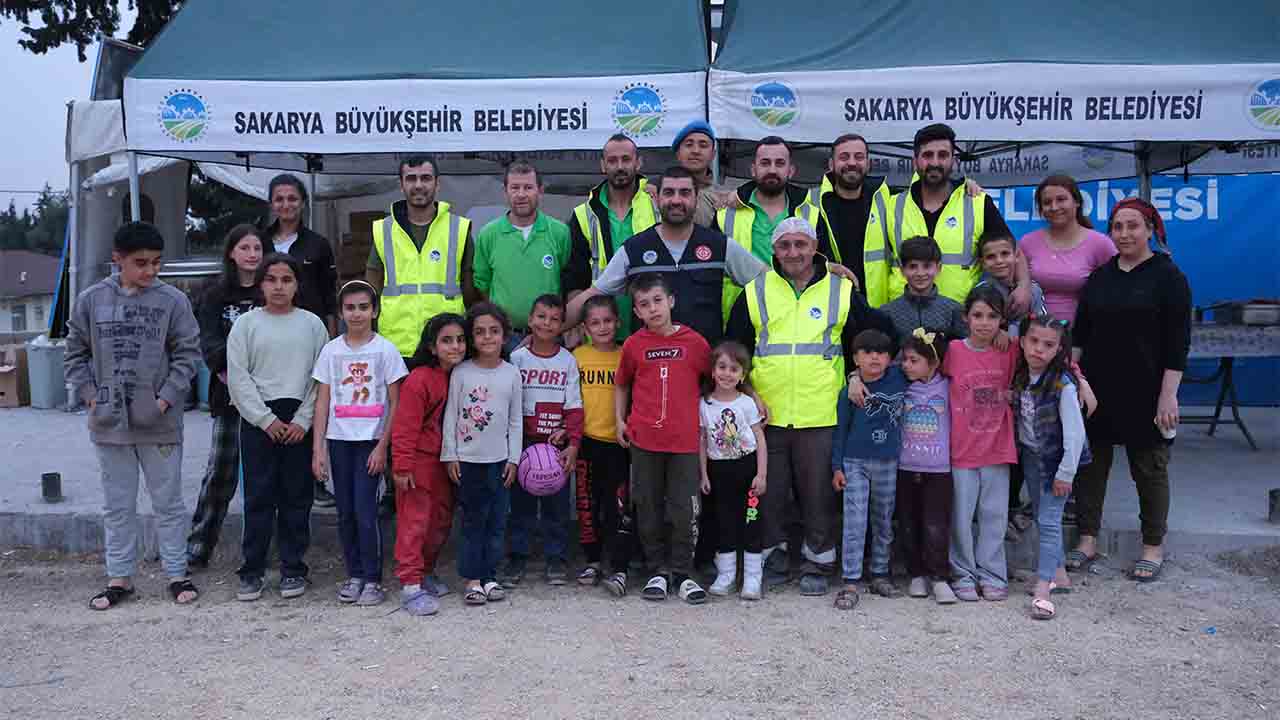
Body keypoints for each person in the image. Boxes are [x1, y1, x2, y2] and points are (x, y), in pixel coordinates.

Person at [725, 217, 896, 596]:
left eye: (800, 245)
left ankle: (818, 562)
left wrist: (855, 375)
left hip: (821, 412)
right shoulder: (755, 291)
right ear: (774, 250)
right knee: (770, 493)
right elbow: (735, 350)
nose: (793, 253)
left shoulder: (841, 290)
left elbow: (869, 340)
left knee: (818, 493)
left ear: (814, 247)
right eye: (784, 246)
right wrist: (749, 392)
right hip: (766, 413)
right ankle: (772, 558)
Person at [65, 221, 202, 610]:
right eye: (140, 263)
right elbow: (74, 354)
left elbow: (188, 355)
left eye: (156, 263)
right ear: (117, 259)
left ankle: (177, 574)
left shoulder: (173, 301)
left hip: (159, 423)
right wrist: (91, 397)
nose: (150, 271)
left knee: (169, 503)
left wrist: (164, 400)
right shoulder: (90, 300)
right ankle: (119, 578)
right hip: (109, 424)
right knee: (118, 504)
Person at [1069, 198, 1190, 583]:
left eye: (1133, 225)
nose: (1124, 234)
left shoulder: (1169, 277)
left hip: (1148, 391)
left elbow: (1178, 343)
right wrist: (1073, 382)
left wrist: (1168, 395)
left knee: (1149, 469)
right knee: (1090, 468)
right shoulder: (1100, 278)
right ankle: (1087, 540)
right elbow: (1080, 337)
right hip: (1098, 390)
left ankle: (1152, 546)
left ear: (1150, 229)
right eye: (1118, 226)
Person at [565, 166, 767, 346]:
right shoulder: (634, 249)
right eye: (669, 193)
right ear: (657, 198)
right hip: (649, 371)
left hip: (704, 373)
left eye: (685, 193)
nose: (677, 200)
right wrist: (548, 332)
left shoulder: (719, 246)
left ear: (696, 199)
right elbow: (592, 294)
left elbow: (768, 283)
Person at [226, 253, 329, 602]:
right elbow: (238, 378)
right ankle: (252, 569)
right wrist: (265, 419)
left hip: (298, 418)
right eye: (271, 280)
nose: (279, 287)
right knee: (258, 496)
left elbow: (320, 378)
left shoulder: (313, 324)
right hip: (260, 421)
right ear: (261, 284)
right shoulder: (245, 325)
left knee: (296, 498)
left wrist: (303, 420)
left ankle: (292, 568)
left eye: (286, 279)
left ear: (297, 284)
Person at [614, 273, 712, 605]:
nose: (652, 309)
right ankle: (657, 570)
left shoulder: (695, 343)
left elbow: (717, 380)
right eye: (644, 304)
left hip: (684, 442)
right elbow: (622, 384)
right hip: (644, 440)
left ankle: (683, 573)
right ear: (637, 312)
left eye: (657, 300)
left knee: (685, 510)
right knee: (647, 505)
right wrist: (618, 420)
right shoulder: (633, 345)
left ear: (670, 301)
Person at [310, 281, 408, 607]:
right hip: (339, 442)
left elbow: (396, 403)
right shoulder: (331, 351)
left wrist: (383, 446)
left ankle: (372, 579)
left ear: (375, 311)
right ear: (340, 312)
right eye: (350, 307)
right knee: (345, 512)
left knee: (366, 511)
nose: (357, 313)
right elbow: (322, 402)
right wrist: (318, 449)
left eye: (363, 307)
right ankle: (353, 575)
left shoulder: (385, 351)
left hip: (370, 442)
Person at [864, 123, 1026, 311]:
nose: (935, 162)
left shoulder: (977, 203)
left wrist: (1023, 285)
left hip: (963, 320)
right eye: (927, 155)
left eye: (942, 155)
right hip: (903, 321)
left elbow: (1012, 250)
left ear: (954, 161)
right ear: (915, 161)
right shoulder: (891, 206)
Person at [187, 223, 261, 568]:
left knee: (267, 478)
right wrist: (231, 376)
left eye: (257, 248)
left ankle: (263, 551)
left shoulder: (270, 291)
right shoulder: (216, 294)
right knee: (220, 472)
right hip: (228, 395)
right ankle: (199, 546)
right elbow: (210, 342)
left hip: (269, 397)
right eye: (245, 248)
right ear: (232, 252)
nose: (252, 255)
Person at [441, 303, 523, 606]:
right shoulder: (461, 372)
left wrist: (514, 458)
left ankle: (490, 576)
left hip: (500, 462)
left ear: (504, 335)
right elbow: (451, 415)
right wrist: (450, 454)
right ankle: (472, 579)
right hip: (468, 461)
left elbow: (516, 420)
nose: (487, 337)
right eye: (479, 332)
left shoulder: (512, 374)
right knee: (474, 521)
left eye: (494, 331)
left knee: (497, 520)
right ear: (471, 337)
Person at [943, 285, 1018, 602]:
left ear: (1002, 319)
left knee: (994, 516)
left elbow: (1052, 350)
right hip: (961, 449)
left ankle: (992, 574)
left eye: (992, 316)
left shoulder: (1011, 350)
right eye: (978, 315)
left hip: (998, 448)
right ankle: (962, 573)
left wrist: (1080, 382)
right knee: (960, 517)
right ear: (966, 317)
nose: (985, 322)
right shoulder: (953, 351)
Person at [503, 294, 584, 587]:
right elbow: (509, 401)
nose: (546, 323)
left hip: (556, 445)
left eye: (554, 319)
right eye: (541, 316)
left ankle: (556, 557)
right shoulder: (517, 358)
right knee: (520, 504)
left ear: (562, 324)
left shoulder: (568, 361)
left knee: (557, 506)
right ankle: (517, 556)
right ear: (529, 320)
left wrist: (572, 441)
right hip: (523, 443)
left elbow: (574, 405)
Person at [1013, 314, 1090, 620]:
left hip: (1056, 463)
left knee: (1048, 521)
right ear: (1022, 342)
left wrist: (1066, 473)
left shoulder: (1063, 385)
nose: (1038, 350)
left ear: (1059, 350)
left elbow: (1075, 433)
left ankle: (1044, 587)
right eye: (1033, 341)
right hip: (1032, 457)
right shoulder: (1022, 376)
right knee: (1045, 519)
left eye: (1048, 345)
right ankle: (1059, 575)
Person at [391, 313, 468, 616]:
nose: (456, 346)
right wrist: (401, 466)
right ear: (432, 347)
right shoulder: (420, 378)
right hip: (418, 462)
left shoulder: (464, 375)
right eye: (447, 340)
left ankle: (426, 571)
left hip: (446, 462)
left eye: (461, 340)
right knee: (415, 521)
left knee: (440, 519)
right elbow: (405, 425)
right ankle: (410, 584)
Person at [366, 154, 478, 359]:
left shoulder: (459, 229)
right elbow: (372, 289)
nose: (418, 185)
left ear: (437, 184)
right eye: (411, 178)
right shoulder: (383, 230)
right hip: (396, 348)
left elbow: (471, 291)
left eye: (425, 178)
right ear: (401, 185)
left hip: (446, 346)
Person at [832, 329, 908, 610]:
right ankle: (850, 580)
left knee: (883, 520)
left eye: (881, 352)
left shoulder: (900, 378)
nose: (875, 357)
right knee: (855, 521)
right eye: (866, 352)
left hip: (888, 461)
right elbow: (840, 432)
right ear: (855, 359)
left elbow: (924, 363)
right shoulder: (848, 393)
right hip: (854, 462)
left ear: (891, 358)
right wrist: (836, 467)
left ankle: (880, 573)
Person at [563, 133, 659, 342]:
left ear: (638, 163)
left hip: (651, 326)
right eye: (612, 161)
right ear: (603, 165)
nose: (620, 166)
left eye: (626, 159)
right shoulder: (583, 214)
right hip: (601, 330)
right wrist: (579, 323)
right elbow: (575, 277)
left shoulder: (657, 205)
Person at [572, 295, 636, 595]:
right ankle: (593, 560)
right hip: (587, 442)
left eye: (608, 321)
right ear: (585, 327)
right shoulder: (577, 357)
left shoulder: (627, 354)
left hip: (619, 445)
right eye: (595, 322)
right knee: (588, 505)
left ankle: (619, 566)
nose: (602, 327)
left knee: (619, 506)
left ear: (618, 322)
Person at [473, 160, 571, 349]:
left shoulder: (560, 232)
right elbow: (482, 285)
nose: (521, 194)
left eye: (528, 187)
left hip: (548, 335)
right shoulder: (489, 234)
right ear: (505, 191)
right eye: (515, 188)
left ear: (540, 190)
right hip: (504, 338)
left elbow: (567, 282)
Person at [698, 341, 768, 601]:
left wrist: (761, 474)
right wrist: (703, 474)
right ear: (713, 371)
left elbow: (760, 439)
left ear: (743, 375)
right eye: (722, 367)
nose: (727, 373)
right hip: (719, 471)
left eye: (734, 368)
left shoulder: (747, 403)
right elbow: (703, 440)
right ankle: (726, 575)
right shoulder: (704, 405)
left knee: (752, 521)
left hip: (747, 469)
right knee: (724, 522)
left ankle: (752, 577)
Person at [894, 329, 957, 604]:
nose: (906, 365)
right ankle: (916, 574)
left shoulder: (948, 387)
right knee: (909, 523)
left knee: (936, 524)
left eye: (913, 360)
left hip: (939, 469)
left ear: (933, 363)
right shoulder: (899, 384)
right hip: (905, 467)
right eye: (905, 359)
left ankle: (940, 577)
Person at [1018, 175, 1116, 325]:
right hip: (1034, 339)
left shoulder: (1100, 244)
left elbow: (1117, 289)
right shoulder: (1027, 243)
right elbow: (1011, 286)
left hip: (1082, 337)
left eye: (1061, 199)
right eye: (1047, 202)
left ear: (1076, 202)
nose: (1054, 207)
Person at [714, 136, 820, 265]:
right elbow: (712, 264)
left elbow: (823, 262)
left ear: (791, 171)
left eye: (780, 163)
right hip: (742, 286)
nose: (772, 170)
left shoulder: (812, 212)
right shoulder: (725, 214)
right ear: (753, 170)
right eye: (765, 163)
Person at [814, 133, 893, 293]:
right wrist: (827, 266)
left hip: (877, 307)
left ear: (868, 163)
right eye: (844, 157)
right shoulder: (811, 204)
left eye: (859, 157)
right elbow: (801, 260)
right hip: (830, 307)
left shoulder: (887, 200)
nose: (852, 163)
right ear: (831, 164)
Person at [264, 173, 338, 336]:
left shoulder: (319, 244)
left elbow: (329, 297)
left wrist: (331, 341)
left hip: (310, 330)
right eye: (279, 199)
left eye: (292, 198)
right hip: (267, 329)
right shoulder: (259, 243)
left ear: (303, 203)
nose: (286, 204)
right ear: (271, 204)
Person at [879, 236, 969, 342]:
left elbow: (963, 351)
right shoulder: (887, 313)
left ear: (938, 268)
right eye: (912, 266)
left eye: (927, 266)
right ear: (902, 270)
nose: (920, 273)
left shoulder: (954, 310)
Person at [975, 230, 1047, 337]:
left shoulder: (1033, 289)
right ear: (983, 263)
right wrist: (999, 332)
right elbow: (976, 327)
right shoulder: (981, 291)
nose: (999, 260)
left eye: (1005, 254)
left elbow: (1043, 325)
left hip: (1026, 350)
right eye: (991, 257)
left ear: (1017, 256)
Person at [670, 120, 728, 227]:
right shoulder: (655, 193)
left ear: (713, 154)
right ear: (678, 153)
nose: (696, 151)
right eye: (689, 144)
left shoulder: (726, 198)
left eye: (703, 145)